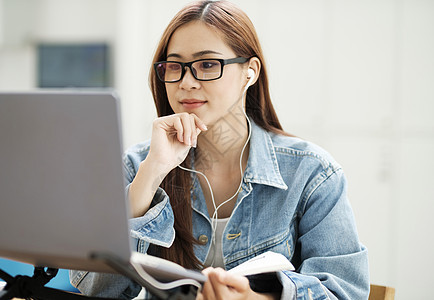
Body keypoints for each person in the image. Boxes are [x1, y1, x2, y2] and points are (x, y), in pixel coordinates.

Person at [70, 0, 369, 299]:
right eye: (175, 66)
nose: (186, 82)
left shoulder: (312, 173)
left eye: (207, 64)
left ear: (249, 72)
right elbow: (94, 288)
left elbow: (345, 292)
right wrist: (150, 176)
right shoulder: (138, 165)